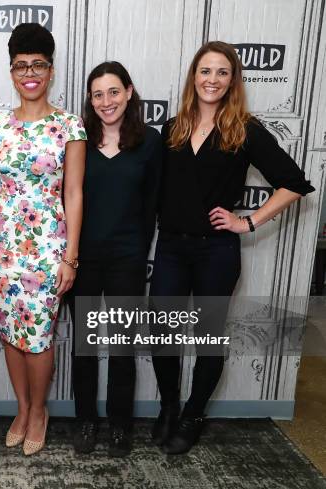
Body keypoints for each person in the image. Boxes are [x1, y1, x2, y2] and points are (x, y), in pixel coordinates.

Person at [150, 40, 314, 455]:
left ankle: (192, 414)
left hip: (216, 253)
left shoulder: (245, 130)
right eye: (206, 71)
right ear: (194, 76)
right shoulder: (173, 128)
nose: (213, 79)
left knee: (207, 337)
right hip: (170, 249)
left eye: (222, 72)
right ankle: (168, 408)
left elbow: (294, 183)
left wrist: (248, 221)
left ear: (233, 80)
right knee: (162, 334)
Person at [0, 23, 86, 456]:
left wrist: (70, 256)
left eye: (38, 64)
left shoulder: (68, 126)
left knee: (38, 336)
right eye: (21, 66)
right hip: (3, 249)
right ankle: (21, 408)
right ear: (12, 72)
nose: (29, 73)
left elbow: (73, 193)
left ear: (51, 70)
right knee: (9, 332)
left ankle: (39, 410)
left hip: (47, 250)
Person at [69, 61, 162, 457]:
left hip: (127, 259)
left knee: (123, 347)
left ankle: (120, 425)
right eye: (98, 94)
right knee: (86, 346)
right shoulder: (77, 140)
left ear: (128, 92)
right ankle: (86, 420)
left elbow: (152, 206)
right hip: (83, 259)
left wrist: (138, 252)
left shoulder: (151, 142)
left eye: (113, 92)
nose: (107, 101)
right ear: (90, 101)